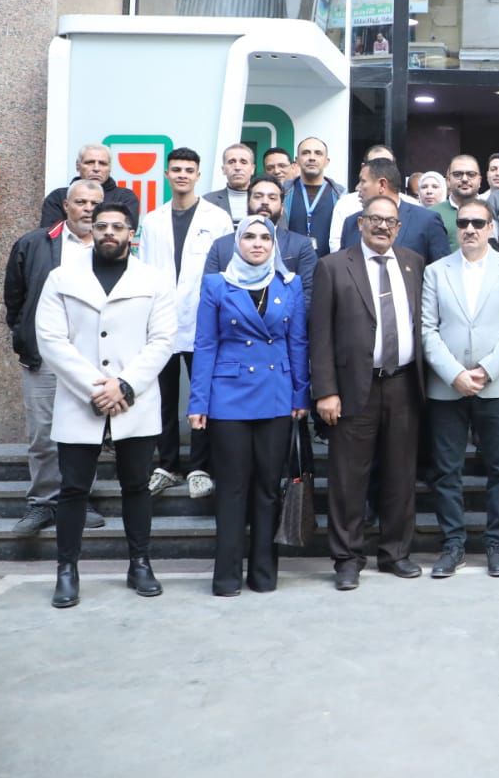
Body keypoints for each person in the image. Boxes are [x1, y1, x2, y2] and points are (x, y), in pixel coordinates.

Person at [34, 202, 176, 608]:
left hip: (135, 401)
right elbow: (51, 340)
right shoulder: (62, 277)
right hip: (82, 399)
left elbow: (163, 339)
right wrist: (95, 388)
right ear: (91, 231)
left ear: (132, 234)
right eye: (101, 226)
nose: (109, 232)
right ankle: (66, 570)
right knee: (73, 489)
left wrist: (125, 386)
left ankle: (140, 564)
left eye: (117, 226)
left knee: (136, 486)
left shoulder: (154, 280)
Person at [187, 215, 309, 596]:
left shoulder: (289, 284)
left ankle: (263, 574)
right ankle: (226, 577)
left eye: (265, 238)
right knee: (232, 488)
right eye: (249, 237)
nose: (257, 243)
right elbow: (205, 344)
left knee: (268, 488)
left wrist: (300, 395)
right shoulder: (216, 284)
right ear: (237, 243)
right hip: (228, 397)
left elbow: (298, 342)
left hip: (276, 395)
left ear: (274, 245)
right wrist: (198, 401)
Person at [311, 196, 428, 589]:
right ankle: (347, 558)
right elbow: (319, 335)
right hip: (351, 389)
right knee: (348, 478)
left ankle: (396, 553)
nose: (382, 226)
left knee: (400, 474)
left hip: (403, 384)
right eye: (374, 219)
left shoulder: (413, 263)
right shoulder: (333, 266)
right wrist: (325, 391)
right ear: (360, 223)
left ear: (399, 227)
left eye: (390, 221)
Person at [421, 200, 499, 579]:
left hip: (497, 383)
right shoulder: (436, 271)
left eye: (478, 223)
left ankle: (496, 544)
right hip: (446, 385)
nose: (469, 229)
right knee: (446, 470)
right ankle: (453, 545)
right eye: (464, 222)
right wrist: (454, 373)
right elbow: (427, 329)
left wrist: (485, 371)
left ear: (490, 228)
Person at [5, 180, 107, 534]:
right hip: (45, 355)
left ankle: (79, 498)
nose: (88, 209)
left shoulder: (112, 245)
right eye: (81, 202)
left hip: (91, 358)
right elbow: (15, 299)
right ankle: (42, 503)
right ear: (66, 206)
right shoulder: (35, 243)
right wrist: (27, 335)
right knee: (43, 434)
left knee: (86, 431)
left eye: (95, 203)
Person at [140, 148, 234, 501]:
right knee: (162, 397)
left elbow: (225, 271)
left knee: (202, 395)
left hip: (203, 321)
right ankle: (167, 465)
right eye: (176, 169)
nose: (182, 175)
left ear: (198, 175)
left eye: (188, 170)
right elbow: (143, 270)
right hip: (160, 320)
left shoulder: (218, 218)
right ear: (166, 174)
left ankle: (199, 468)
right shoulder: (152, 221)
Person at [203, 175, 318, 304]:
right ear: (247, 204)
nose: (264, 202)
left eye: (272, 198)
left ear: (282, 208)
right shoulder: (221, 246)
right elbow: (209, 294)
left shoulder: (301, 246)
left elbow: (308, 294)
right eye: (258, 196)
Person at [339, 156, 452, 265]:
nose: (357, 188)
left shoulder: (426, 221)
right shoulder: (352, 223)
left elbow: (442, 270)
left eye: (363, 181)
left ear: (382, 184)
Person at [326, 145, 417, 253]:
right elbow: (340, 255)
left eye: (387, 164)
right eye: (375, 163)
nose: (358, 187)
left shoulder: (422, 217)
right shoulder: (350, 218)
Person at [38, 142, 140, 229]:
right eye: (90, 162)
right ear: (78, 166)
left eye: (102, 163)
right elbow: (49, 236)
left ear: (110, 168)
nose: (96, 168)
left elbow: (124, 233)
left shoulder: (125, 197)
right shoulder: (58, 197)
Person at [281, 136, 344, 258]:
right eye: (306, 153)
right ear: (297, 161)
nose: (312, 158)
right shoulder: (282, 193)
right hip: (290, 265)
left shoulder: (341, 196)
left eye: (318, 153)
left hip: (329, 265)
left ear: (326, 161)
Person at [429, 154, 478, 248]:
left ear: (479, 180)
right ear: (448, 180)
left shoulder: (491, 210)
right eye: (457, 174)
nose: (464, 179)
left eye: (471, 174)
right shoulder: (432, 214)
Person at [203, 143, 255, 225]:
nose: (237, 167)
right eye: (231, 162)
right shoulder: (207, 201)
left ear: (252, 169)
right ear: (223, 169)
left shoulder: (264, 200)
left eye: (243, 162)